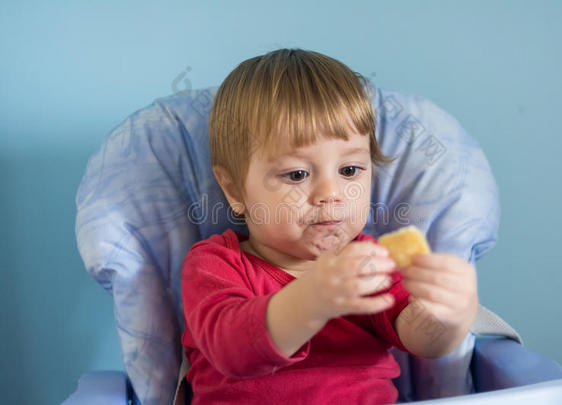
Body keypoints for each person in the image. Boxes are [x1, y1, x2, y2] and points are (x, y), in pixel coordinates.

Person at [181, 48, 478, 404]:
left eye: (349, 171)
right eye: (297, 174)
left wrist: (450, 315)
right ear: (234, 190)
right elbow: (232, 352)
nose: (331, 194)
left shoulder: (371, 263)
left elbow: (423, 341)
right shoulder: (216, 264)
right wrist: (311, 300)